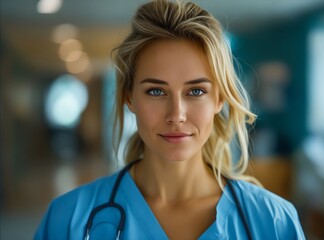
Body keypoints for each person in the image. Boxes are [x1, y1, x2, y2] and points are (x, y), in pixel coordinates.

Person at [35, 0, 305, 239]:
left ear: (219, 99)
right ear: (129, 98)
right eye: (156, 91)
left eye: (196, 91)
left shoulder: (273, 222)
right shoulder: (69, 220)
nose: (176, 115)